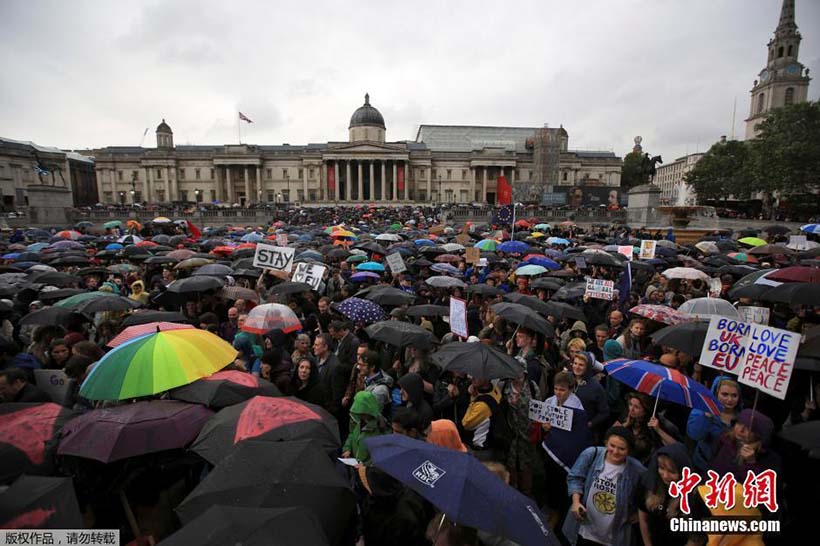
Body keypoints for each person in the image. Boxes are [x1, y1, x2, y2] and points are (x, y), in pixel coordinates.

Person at [564, 426, 646, 546]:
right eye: (612, 446)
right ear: (606, 443)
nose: (615, 452)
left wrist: (640, 514)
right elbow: (575, 477)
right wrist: (576, 502)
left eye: (621, 449)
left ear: (629, 450)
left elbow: (650, 489)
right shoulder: (591, 454)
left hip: (614, 536)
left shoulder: (636, 469)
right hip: (582, 530)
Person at [638, 443, 708, 546]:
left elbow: (697, 538)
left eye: (672, 471)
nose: (665, 476)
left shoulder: (695, 498)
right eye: (661, 468)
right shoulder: (650, 485)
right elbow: (643, 519)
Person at [686, 376, 742, 471]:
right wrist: (706, 417)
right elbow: (695, 435)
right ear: (716, 394)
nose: (729, 399)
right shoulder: (700, 411)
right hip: (702, 466)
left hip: (727, 470)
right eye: (725, 394)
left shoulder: (742, 416)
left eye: (734, 395)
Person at [615, 392, 679, 466]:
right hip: (621, 458)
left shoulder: (653, 423)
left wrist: (658, 430)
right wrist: (626, 424)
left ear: (645, 411)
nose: (631, 409)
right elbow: (611, 434)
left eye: (636, 407)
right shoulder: (627, 415)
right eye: (630, 404)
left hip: (642, 463)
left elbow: (676, 446)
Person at [570, 352, 610, 438]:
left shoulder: (596, 387)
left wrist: (590, 424)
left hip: (585, 432)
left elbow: (604, 412)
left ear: (587, 367)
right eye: (575, 363)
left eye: (581, 365)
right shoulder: (567, 379)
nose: (576, 367)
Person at [341, 390, 387, 464]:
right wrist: (347, 449)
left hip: (367, 469)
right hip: (355, 463)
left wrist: (366, 465)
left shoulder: (381, 427)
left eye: (363, 412)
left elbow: (381, 452)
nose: (360, 415)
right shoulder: (357, 421)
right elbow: (352, 435)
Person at [461, 376, 502, 459]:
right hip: (491, 446)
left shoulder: (483, 405)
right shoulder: (495, 390)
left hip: (479, 451)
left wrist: (472, 398)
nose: (473, 378)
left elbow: (465, 424)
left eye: (477, 375)